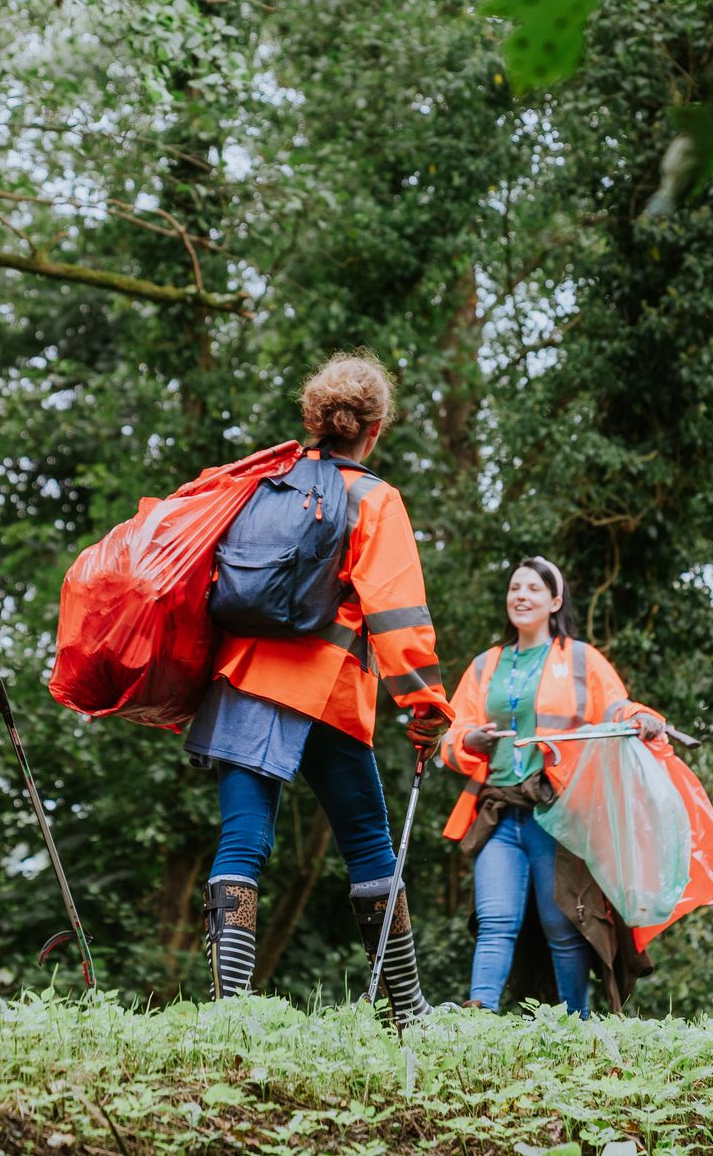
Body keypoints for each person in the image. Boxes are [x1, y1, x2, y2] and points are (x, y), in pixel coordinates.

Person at [185, 351, 453, 1023]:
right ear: (376, 428)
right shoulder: (374, 498)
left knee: (242, 839)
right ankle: (405, 1008)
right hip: (326, 688)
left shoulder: (261, 480)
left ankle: (231, 1008)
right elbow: (396, 611)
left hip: (242, 682)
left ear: (314, 418)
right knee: (368, 844)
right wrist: (424, 705)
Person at [439, 557, 663, 1017]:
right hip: (498, 810)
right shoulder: (486, 666)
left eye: (533, 590)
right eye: (514, 588)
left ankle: (572, 1025)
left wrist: (642, 718)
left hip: (557, 812)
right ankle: (477, 1018)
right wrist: (470, 740)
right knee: (494, 920)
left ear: (554, 601)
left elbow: (617, 707)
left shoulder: (582, 660)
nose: (521, 596)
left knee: (564, 922)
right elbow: (452, 733)